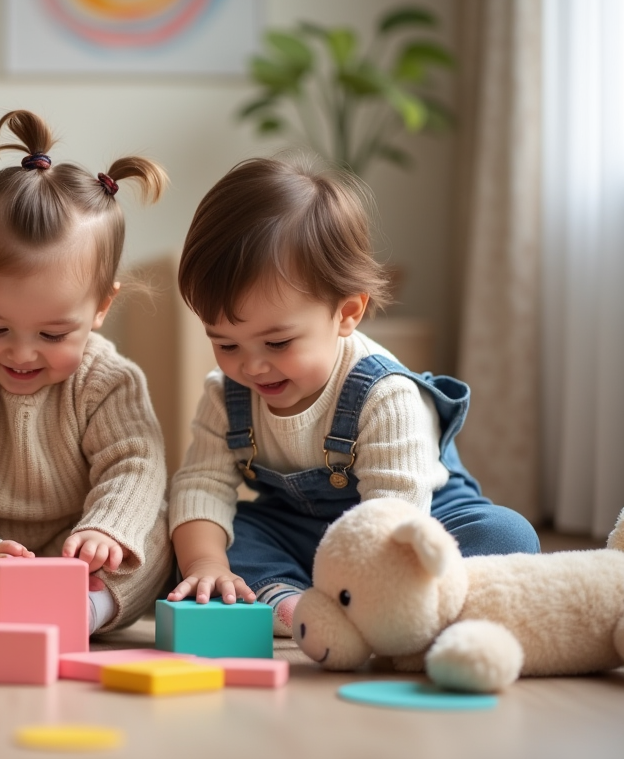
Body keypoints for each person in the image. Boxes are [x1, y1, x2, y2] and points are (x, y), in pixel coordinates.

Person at [167, 154, 540, 636]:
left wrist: (372, 579)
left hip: (407, 524)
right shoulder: (226, 397)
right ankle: (293, 602)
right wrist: (206, 563)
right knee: (202, 539)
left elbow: (394, 516)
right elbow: (202, 487)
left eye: (278, 343)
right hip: (302, 533)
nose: (251, 365)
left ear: (346, 313)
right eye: (225, 343)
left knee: (506, 534)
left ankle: (404, 605)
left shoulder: (385, 395)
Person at [0, 110, 172, 634]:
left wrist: (105, 531)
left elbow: (135, 464)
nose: (21, 355)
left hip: (76, 549)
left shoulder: (111, 380)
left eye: (52, 335)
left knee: (153, 532)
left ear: (101, 308)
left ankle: (84, 613)